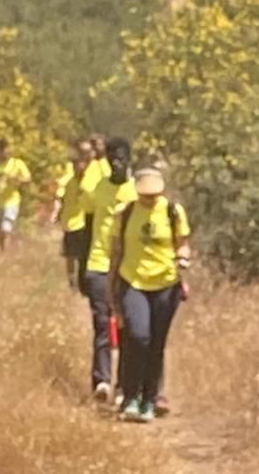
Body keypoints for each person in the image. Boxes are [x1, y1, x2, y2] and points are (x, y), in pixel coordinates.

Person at [108, 163, 191, 424]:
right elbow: (116, 252)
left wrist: (183, 260)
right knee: (138, 336)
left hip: (166, 285)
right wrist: (112, 289)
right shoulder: (125, 213)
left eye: (153, 194)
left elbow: (183, 245)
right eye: (145, 194)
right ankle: (130, 396)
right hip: (133, 281)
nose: (149, 199)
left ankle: (149, 400)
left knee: (156, 344)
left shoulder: (172, 212)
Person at [78, 137, 136, 403]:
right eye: (112, 158)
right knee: (102, 325)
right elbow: (87, 227)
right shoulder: (97, 189)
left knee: (126, 327)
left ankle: (124, 384)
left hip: (126, 268)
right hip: (98, 265)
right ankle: (101, 381)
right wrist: (82, 266)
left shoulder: (135, 193)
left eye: (122, 158)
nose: (117, 163)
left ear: (129, 160)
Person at [54, 140, 94, 290]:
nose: (79, 168)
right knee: (70, 256)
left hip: (83, 223)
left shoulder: (89, 181)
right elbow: (60, 198)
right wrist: (56, 212)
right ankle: (71, 281)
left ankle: (83, 281)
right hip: (69, 223)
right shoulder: (67, 182)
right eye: (76, 165)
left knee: (82, 255)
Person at [0, 138, 32, 257]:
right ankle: (4, 252)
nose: (3, 152)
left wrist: (17, 179)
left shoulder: (17, 164)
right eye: (0, 150)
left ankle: (4, 256)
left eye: (5, 149)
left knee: (6, 228)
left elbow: (28, 179)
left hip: (11, 201)